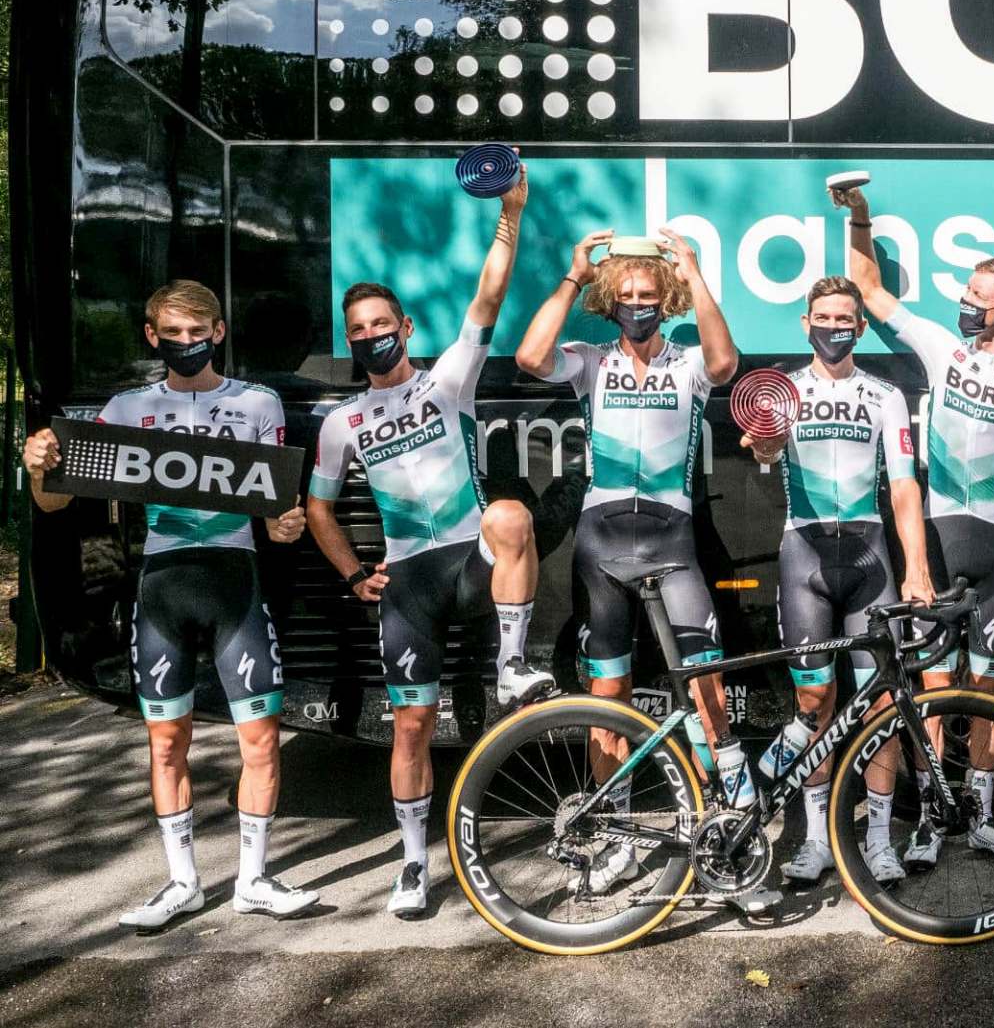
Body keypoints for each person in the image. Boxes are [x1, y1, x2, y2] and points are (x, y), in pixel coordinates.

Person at [22, 281, 317, 929]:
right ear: (152, 337)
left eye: (198, 332)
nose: (187, 343)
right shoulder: (129, 407)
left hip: (235, 584)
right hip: (163, 587)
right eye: (173, 333)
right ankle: (182, 882)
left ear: (218, 333)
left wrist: (287, 525)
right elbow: (56, 501)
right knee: (165, 742)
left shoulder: (257, 402)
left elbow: (276, 519)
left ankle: (254, 879)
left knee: (262, 739)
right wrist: (41, 467)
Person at [306, 164, 553, 918]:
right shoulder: (342, 421)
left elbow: (488, 296)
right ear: (350, 340)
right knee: (410, 726)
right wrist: (354, 575)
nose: (372, 337)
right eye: (359, 331)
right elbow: (318, 509)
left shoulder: (447, 381)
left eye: (382, 324)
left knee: (510, 515)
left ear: (406, 327)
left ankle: (512, 666)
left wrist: (510, 214)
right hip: (409, 580)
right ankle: (413, 865)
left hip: (472, 562)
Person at [513, 227, 774, 911]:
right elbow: (530, 355)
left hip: (672, 541)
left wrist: (692, 270)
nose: (637, 305)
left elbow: (725, 362)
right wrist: (575, 274)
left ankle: (734, 846)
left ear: (666, 300)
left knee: (708, 690)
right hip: (601, 545)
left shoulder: (688, 364)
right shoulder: (590, 360)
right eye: (626, 296)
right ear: (611, 302)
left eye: (649, 295)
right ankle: (614, 838)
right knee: (609, 697)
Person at [836, 181, 994, 870]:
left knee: (990, 688)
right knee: (932, 687)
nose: (965, 302)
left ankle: (983, 816)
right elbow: (868, 288)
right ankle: (932, 817)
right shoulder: (942, 347)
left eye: (977, 294)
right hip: (938, 538)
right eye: (965, 290)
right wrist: (860, 218)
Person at [740, 276, 934, 885]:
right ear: (806, 323)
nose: (833, 327)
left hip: (869, 558)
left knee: (882, 701)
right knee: (814, 700)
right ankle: (818, 838)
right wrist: (763, 444)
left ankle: (878, 838)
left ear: (860, 325)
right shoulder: (783, 390)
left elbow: (904, 487)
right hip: (805, 555)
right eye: (822, 317)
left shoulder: (885, 395)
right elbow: (763, 453)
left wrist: (917, 568)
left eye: (844, 318)